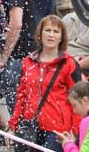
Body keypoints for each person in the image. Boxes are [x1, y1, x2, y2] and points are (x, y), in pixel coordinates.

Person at [9, 15, 82, 152]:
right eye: (47, 30)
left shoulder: (69, 64)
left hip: (58, 131)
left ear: (61, 37)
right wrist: (13, 125)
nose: (51, 35)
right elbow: (21, 96)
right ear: (40, 34)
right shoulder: (27, 62)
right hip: (30, 125)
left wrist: (75, 131)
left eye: (56, 31)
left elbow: (77, 101)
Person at [54, 80, 89, 152]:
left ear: (85, 100)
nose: (74, 111)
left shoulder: (87, 122)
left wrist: (68, 145)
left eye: (74, 105)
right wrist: (75, 142)